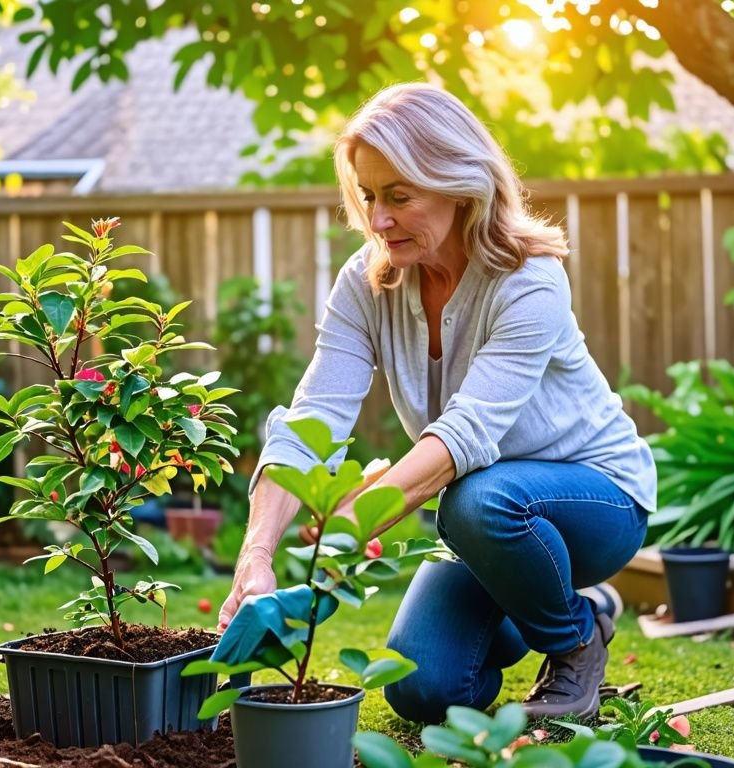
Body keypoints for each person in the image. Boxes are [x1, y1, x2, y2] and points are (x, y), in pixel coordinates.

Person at [217, 83, 656, 723]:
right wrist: (256, 556)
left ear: (460, 186)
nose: (378, 218)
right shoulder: (366, 285)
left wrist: (349, 526)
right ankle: (566, 607)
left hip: (597, 500)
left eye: (400, 195)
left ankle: (574, 643)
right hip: (487, 524)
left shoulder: (529, 278)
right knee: (422, 690)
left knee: (480, 499)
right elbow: (311, 422)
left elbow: (464, 440)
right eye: (369, 196)